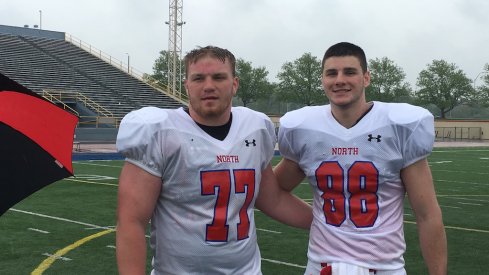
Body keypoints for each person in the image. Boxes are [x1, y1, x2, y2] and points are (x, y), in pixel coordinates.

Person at [115, 45, 312, 275]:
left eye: (219, 77)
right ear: (187, 85)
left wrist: (327, 223)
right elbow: (131, 222)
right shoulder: (160, 131)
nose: (208, 86)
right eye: (198, 78)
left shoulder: (255, 128)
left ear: (234, 83)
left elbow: (273, 199)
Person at [275, 42, 447, 275]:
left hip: (384, 268)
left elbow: (427, 214)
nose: (339, 80)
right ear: (323, 80)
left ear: (366, 78)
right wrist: (315, 219)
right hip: (320, 267)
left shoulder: (399, 126)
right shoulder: (306, 129)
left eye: (350, 72)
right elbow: (274, 190)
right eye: (331, 73)